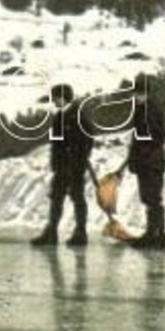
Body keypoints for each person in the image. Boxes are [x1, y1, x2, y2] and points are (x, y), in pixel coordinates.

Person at [30, 83, 94, 247]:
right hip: (61, 167)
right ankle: (51, 233)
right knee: (56, 199)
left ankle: (81, 233)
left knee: (77, 198)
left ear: (64, 97)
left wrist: (78, 161)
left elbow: (88, 141)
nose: (54, 102)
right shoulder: (59, 116)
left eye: (56, 98)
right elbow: (56, 143)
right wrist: (56, 162)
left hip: (75, 167)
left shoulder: (79, 116)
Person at [125, 75, 165, 250]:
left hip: (152, 162)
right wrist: (134, 157)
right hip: (147, 161)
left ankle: (156, 235)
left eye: (139, 93)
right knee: (149, 198)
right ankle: (157, 234)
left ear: (146, 93)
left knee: (153, 198)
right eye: (135, 93)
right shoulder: (141, 109)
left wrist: (141, 151)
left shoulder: (150, 110)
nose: (136, 96)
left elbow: (159, 137)